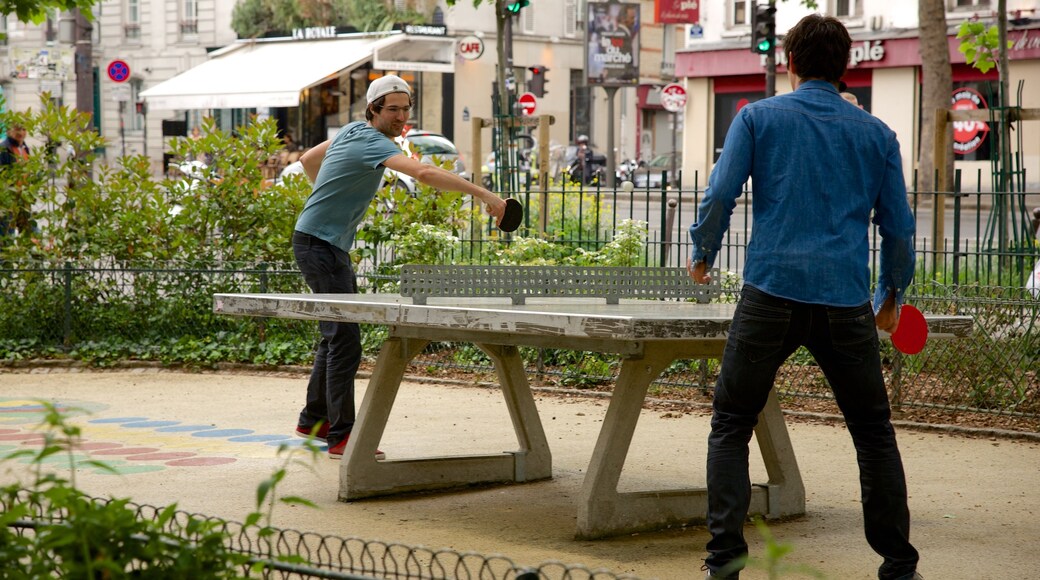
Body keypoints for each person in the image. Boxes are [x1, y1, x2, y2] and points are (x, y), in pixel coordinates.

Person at [686, 15, 920, 580]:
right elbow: (900, 228)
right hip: (844, 299)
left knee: (732, 422)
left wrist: (703, 252)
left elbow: (721, 192)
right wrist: (891, 293)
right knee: (872, 431)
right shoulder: (877, 134)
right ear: (848, 67)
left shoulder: (758, 118)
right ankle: (897, 562)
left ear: (790, 63)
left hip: (770, 291)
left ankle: (724, 560)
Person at [292, 75, 508, 460]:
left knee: (335, 333)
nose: (401, 116)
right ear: (373, 110)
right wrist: (485, 195)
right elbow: (424, 174)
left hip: (320, 242)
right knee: (345, 340)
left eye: (406, 108)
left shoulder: (352, 132)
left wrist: (326, 201)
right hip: (319, 246)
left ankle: (314, 420)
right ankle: (342, 438)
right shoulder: (370, 140)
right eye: (393, 109)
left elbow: (309, 160)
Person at [0, 122, 32, 236]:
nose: (21, 133)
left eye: (23, 129)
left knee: (30, 232)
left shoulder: (25, 148)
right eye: (17, 129)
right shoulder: (4, 149)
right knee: (7, 234)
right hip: (9, 199)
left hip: (23, 198)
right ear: (9, 131)